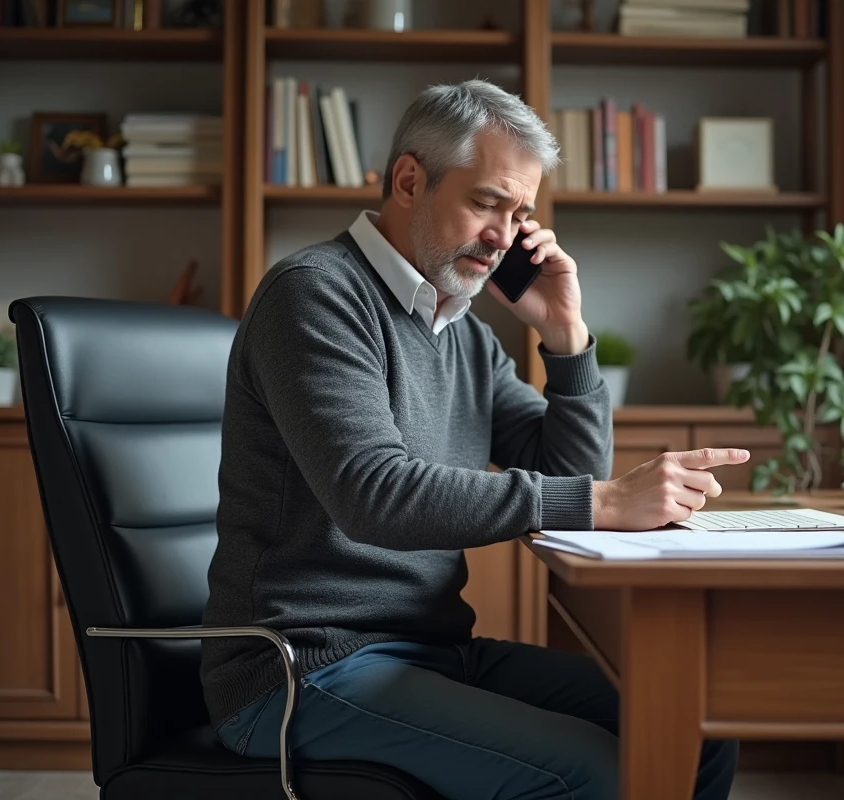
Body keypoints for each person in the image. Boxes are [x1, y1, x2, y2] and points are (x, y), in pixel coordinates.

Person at [200, 78, 748, 800]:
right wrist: (602, 501)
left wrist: (566, 336)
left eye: (519, 212)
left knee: (693, 727)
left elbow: (569, 470)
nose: (503, 235)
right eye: (487, 202)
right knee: (591, 768)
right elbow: (374, 495)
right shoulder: (316, 293)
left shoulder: (459, 332)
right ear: (408, 180)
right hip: (302, 667)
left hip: (430, 652)